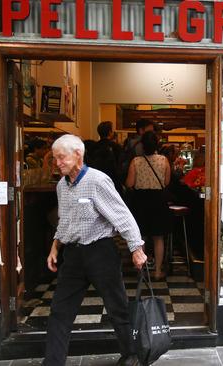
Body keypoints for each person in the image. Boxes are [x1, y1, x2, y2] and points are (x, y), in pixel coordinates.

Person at [44, 134, 147, 366]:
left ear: (78, 154)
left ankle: (130, 354)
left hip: (100, 253)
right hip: (72, 256)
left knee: (117, 307)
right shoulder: (62, 185)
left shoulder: (97, 181)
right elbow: (64, 221)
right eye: (55, 158)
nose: (57, 163)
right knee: (60, 311)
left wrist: (136, 248)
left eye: (61, 158)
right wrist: (54, 247)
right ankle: (53, 362)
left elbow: (122, 216)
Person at [126, 131, 172, 281]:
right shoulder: (164, 160)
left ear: (143, 146)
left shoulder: (135, 161)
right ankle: (158, 271)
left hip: (141, 201)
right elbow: (166, 182)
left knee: (141, 238)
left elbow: (130, 183)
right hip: (158, 201)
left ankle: (141, 272)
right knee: (158, 238)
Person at [88, 121, 124, 195]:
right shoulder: (116, 147)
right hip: (113, 182)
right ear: (110, 132)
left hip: (96, 181)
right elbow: (120, 165)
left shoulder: (93, 147)